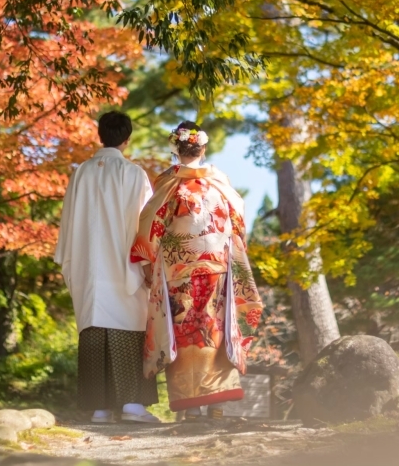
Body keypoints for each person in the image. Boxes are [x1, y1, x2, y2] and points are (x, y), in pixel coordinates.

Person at [131, 121, 263, 420]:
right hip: (217, 267)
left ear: (175, 148)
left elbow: (151, 224)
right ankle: (216, 404)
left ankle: (190, 408)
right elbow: (237, 222)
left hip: (179, 270)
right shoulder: (220, 183)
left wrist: (149, 263)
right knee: (214, 331)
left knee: (184, 333)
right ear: (203, 147)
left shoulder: (168, 182)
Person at [54, 111, 160, 424]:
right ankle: (131, 404)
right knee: (128, 325)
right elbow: (147, 224)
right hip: (124, 263)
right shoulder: (134, 174)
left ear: (100, 135)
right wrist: (149, 264)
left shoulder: (82, 173)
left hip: (89, 264)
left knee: (94, 326)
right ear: (127, 139)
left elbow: (68, 222)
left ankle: (99, 408)